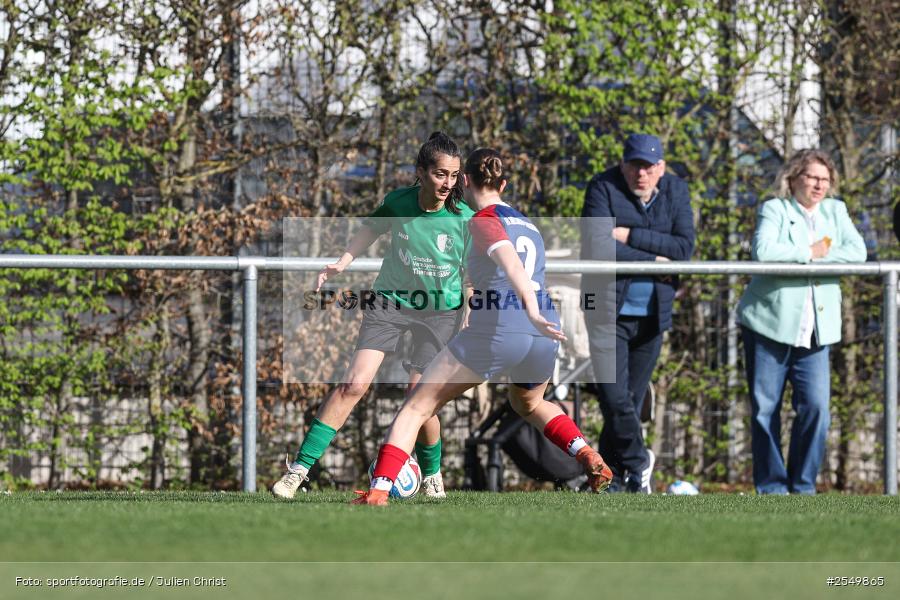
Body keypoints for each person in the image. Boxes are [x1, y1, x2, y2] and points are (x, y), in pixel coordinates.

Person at [351, 148, 614, 505]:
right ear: (503, 185)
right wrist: (533, 314)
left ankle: (379, 491)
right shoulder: (527, 223)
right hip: (542, 334)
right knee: (529, 403)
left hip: (506, 326)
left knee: (416, 406)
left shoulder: (484, 219)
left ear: (465, 180)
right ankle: (585, 452)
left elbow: (511, 264)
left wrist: (529, 309)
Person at [272, 132, 474, 499]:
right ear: (421, 172)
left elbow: (472, 271)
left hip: (440, 311)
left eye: (454, 175)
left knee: (420, 395)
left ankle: (432, 474)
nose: (448, 183)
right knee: (354, 384)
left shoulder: (464, 218)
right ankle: (298, 471)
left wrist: (470, 307)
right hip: (391, 301)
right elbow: (371, 229)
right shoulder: (398, 202)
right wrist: (342, 262)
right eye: (440, 174)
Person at [738, 149, 866, 495]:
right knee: (765, 410)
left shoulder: (836, 211)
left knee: (817, 408)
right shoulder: (775, 209)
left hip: (816, 331)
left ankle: (803, 485)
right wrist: (810, 252)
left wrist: (809, 257)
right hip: (768, 324)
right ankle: (772, 487)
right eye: (812, 177)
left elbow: (857, 253)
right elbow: (764, 251)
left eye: (825, 179)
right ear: (793, 178)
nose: (819, 185)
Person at [580, 133, 695, 493]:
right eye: (634, 166)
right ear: (623, 164)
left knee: (628, 401)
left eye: (648, 167)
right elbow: (597, 244)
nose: (640, 174)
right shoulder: (602, 186)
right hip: (605, 310)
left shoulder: (676, 190)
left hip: (653, 314)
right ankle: (639, 461)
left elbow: (684, 247)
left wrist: (629, 236)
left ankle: (614, 481)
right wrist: (656, 259)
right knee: (613, 397)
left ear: (661, 168)